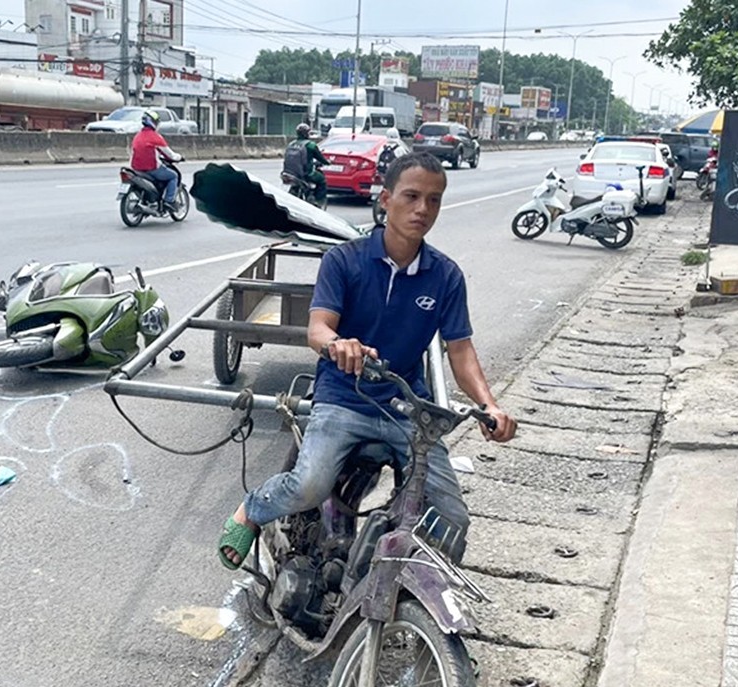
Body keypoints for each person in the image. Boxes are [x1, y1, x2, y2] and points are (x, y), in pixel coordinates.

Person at [216, 151, 518, 570]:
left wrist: (490, 404)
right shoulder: (345, 260)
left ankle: (407, 593)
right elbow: (317, 328)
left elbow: (461, 350)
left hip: (407, 409)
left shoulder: (446, 276)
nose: (422, 209)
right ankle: (252, 508)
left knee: (451, 519)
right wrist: (339, 344)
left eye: (434, 200)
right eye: (411, 196)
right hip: (343, 398)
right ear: (385, 199)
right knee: (309, 486)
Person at [130, 109, 182, 211]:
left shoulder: (137, 136)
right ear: (153, 122)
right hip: (152, 169)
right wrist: (179, 157)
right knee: (173, 176)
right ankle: (169, 201)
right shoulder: (156, 137)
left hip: (136, 169)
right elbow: (169, 154)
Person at [282, 123, 330, 205]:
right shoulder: (310, 145)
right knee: (322, 180)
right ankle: (318, 201)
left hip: (288, 173)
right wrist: (328, 163)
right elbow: (320, 158)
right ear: (307, 133)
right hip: (305, 174)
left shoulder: (291, 144)